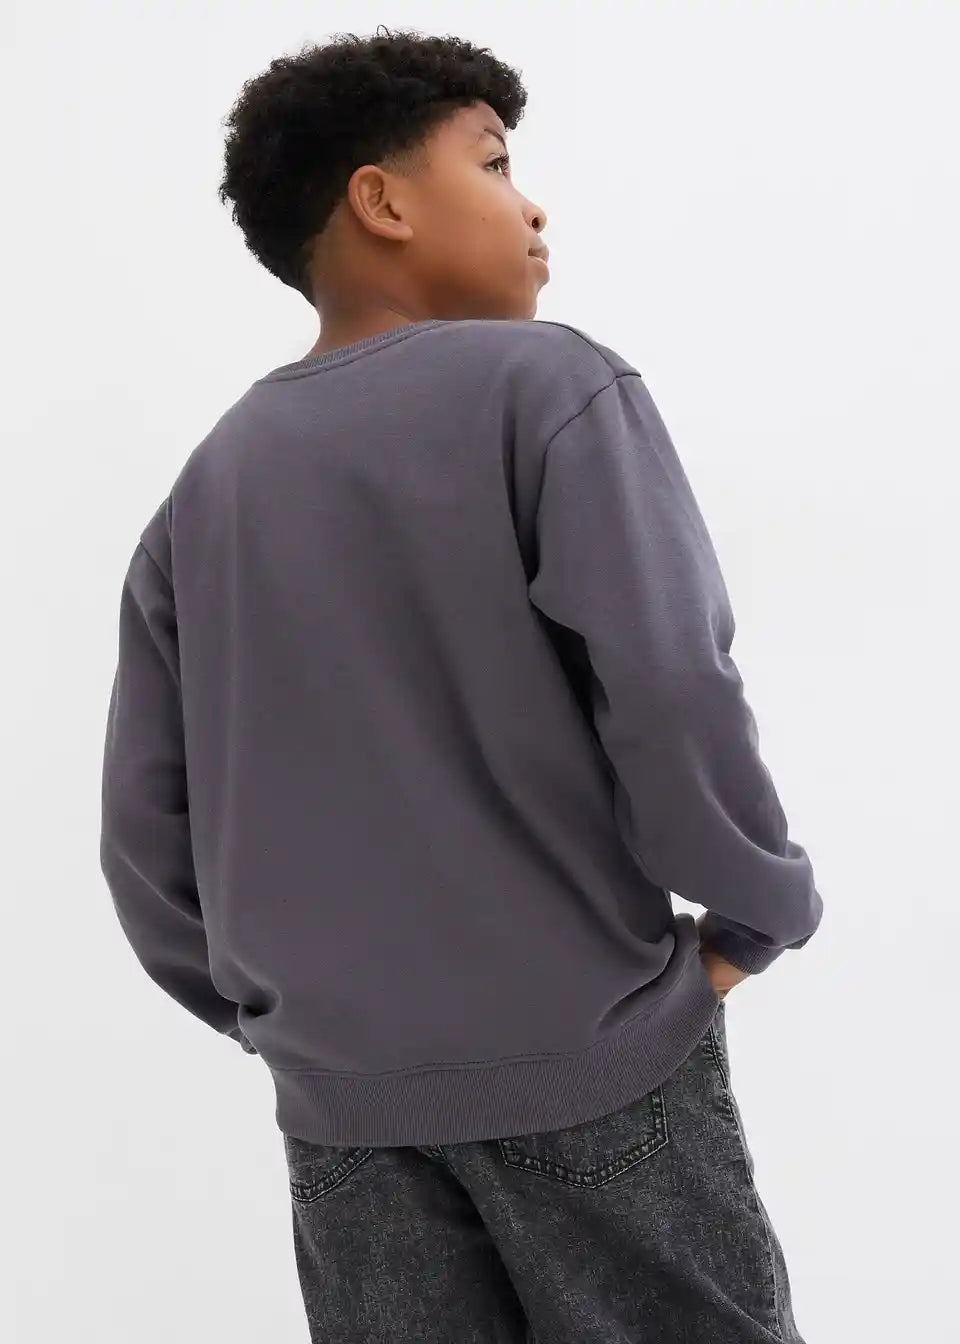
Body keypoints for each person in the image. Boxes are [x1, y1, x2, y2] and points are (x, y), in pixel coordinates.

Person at [99, 25, 823, 1343]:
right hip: (591, 1055)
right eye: (493, 165)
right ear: (381, 202)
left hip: (345, 1105)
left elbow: (146, 831)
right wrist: (758, 902)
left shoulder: (206, 486)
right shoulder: (551, 386)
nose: (532, 205)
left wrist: (277, 1017)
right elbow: (669, 678)